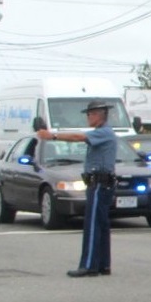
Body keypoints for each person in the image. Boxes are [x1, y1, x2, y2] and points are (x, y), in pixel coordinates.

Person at [37, 100, 118, 278]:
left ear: (98, 115)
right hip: (100, 182)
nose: (87, 118)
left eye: (89, 114)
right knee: (101, 224)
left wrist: (53, 136)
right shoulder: (104, 132)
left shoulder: (103, 132)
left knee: (93, 224)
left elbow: (78, 137)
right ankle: (103, 264)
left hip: (99, 183)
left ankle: (89, 265)